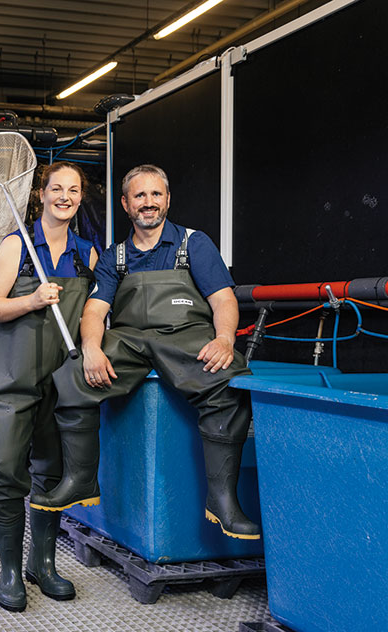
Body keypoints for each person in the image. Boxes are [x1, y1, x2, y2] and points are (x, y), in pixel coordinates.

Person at [30, 164, 261, 542]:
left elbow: (223, 298)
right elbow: (95, 310)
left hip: (186, 337)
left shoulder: (193, 243)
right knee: (72, 375)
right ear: (125, 204)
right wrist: (90, 348)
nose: (148, 203)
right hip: (130, 341)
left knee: (228, 383)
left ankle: (223, 501)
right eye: (140, 196)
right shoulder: (114, 257)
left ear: (167, 199)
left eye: (156, 195)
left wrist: (223, 339)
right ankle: (80, 481)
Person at [0, 162, 99, 613]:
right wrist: (30, 300)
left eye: (73, 190)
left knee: (52, 471)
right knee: (6, 469)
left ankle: (41, 563)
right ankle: (10, 570)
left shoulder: (87, 254)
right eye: (56, 188)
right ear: (41, 194)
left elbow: (93, 312)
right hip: (10, 380)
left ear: (80, 198)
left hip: (60, 381)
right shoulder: (16, 246)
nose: (64, 196)